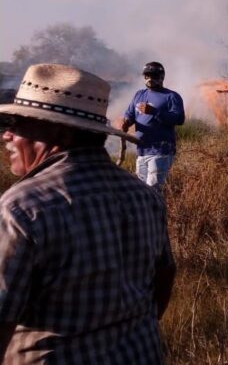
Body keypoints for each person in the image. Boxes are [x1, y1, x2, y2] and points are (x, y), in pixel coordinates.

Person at [0, 63, 176, 363]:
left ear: (59, 131)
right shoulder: (144, 196)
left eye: (18, 122)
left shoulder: (22, 208)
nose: (7, 135)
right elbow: (163, 279)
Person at [121, 62, 185, 190]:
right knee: (141, 190)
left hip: (161, 151)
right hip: (142, 151)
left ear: (162, 77)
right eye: (147, 75)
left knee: (152, 190)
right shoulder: (139, 95)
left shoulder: (171, 96)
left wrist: (154, 112)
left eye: (154, 76)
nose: (150, 79)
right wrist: (127, 121)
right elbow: (130, 114)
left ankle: (157, 210)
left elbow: (179, 119)